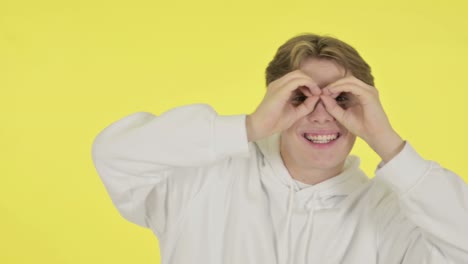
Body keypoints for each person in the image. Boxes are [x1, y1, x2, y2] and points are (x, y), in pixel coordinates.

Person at [91, 34, 468, 264]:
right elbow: (114, 153)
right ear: (275, 100)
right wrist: (249, 127)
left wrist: (387, 142)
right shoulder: (201, 180)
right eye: (301, 96)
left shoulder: (390, 216)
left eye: (342, 98)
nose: (322, 115)